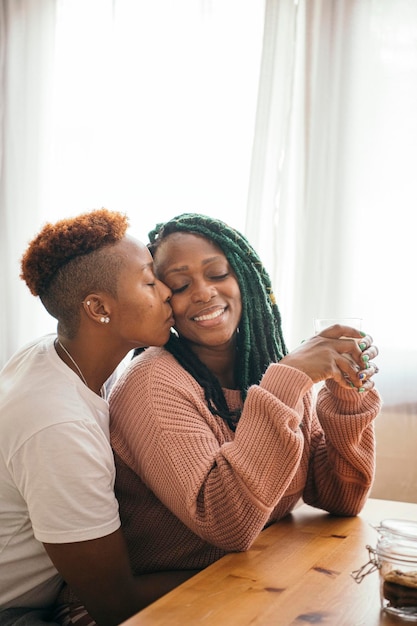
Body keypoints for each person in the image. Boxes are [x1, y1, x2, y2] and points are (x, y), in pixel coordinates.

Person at [109, 212, 381, 577]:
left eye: (217, 274)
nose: (204, 292)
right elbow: (227, 525)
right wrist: (289, 379)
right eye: (179, 284)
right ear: (162, 298)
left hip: (248, 582)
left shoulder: (267, 371)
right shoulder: (151, 382)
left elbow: (341, 498)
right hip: (160, 599)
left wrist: (347, 396)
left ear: (245, 278)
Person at [0, 208, 196, 626]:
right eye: (149, 280)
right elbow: (116, 603)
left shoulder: (55, 355)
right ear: (98, 307)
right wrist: (246, 568)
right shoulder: (58, 425)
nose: (167, 292)